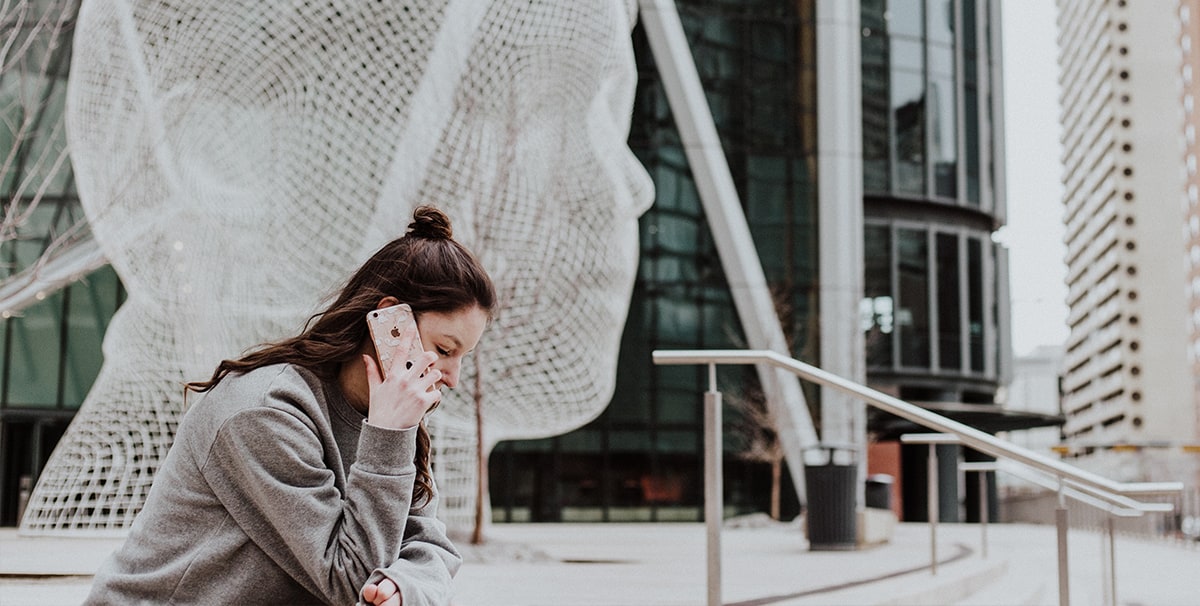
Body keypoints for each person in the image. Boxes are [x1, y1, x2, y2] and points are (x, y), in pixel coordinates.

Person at [85, 205, 497, 606]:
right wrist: (388, 438)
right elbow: (349, 580)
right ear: (391, 320)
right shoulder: (266, 413)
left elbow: (429, 544)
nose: (453, 377)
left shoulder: (390, 417)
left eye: (462, 357)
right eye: (444, 349)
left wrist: (404, 587)